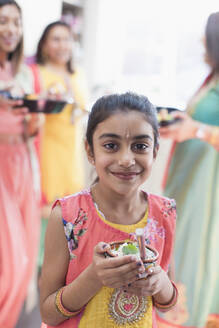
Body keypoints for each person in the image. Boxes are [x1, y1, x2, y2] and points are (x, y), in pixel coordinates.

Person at [39, 92, 178, 328]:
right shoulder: (67, 217)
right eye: (111, 146)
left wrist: (159, 284)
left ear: (154, 151)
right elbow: (48, 314)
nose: (126, 159)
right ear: (90, 151)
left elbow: (168, 301)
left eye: (140, 146)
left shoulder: (164, 213)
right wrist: (93, 277)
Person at [158, 12, 219, 328]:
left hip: (206, 189)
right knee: (176, 245)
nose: (201, 44)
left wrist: (196, 131)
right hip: (187, 178)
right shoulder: (211, 79)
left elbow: (206, 128)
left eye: (206, 39)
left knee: (195, 251)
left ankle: (189, 318)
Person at [0, 1, 42, 327]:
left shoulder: (23, 74)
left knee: (26, 259)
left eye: (16, 22)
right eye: (3, 21)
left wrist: (36, 116)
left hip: (22, 167)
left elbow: (31, 130)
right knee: (10, 263)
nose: (11, 29)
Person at [32, 20, 89, 213]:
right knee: (47, 210)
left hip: (72, 151)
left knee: (71, 212)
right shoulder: (36, 73)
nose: (62, 45)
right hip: (47, 149)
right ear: (44, 45)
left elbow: (83, 107)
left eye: (67, 39)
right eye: (56, 40)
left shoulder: (78, 74)